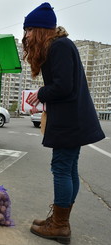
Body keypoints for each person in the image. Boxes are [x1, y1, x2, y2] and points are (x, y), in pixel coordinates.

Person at [23, 3, 105, 244]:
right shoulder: (59, 46)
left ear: (41, 29)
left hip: (70, 121)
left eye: (29, 29)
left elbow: (63, 86)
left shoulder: (59, 46)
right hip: (73, 119)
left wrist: (41, 93)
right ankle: (60, 220)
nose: (27, 35)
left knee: (61, 168)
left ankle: (60, 225)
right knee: (69, 167)